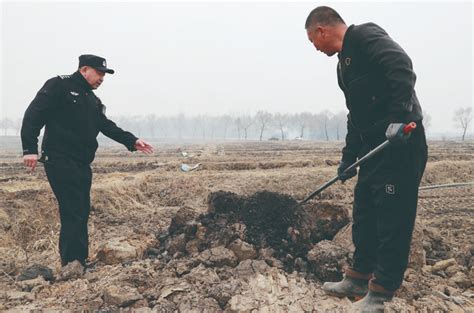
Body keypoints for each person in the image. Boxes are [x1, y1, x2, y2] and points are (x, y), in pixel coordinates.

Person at [305, 6, 428, 312]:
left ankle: (383, 289)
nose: (315, 49)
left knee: (392, 218)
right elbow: (355, 116)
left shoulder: (365, 36)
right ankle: (359, 276)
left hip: (401, 142)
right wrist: (348, 158)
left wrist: (401, 118)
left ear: (322, 30)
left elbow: (401, 65)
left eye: (313, 42)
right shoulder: (342, 67)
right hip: (374, 148)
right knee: (365, 212)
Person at [21, 54, 154, 272]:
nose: (102, 78)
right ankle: (71, 263)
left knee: (81, 210)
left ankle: (78, 261)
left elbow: (106, 126)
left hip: (82, 163)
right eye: (99, 72)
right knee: (72, 210)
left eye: (104, 74)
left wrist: (132, 141)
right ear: (84, 70)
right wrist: (29, 149)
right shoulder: (59, 86)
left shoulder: (92, 100)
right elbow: (33, 115)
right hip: (60, 159)